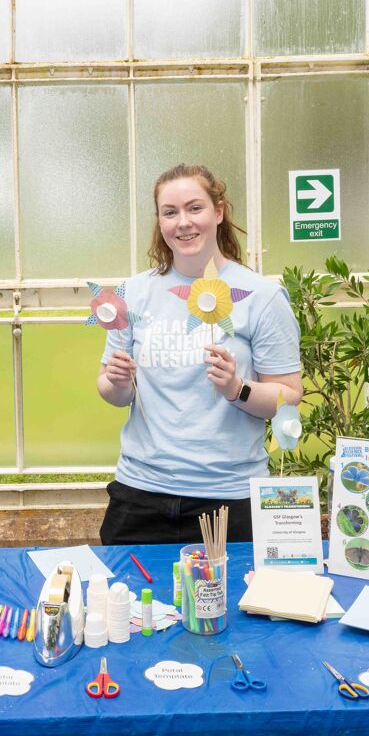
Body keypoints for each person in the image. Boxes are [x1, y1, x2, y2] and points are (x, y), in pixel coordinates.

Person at [96, 163, 303, 545]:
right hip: (139, 494)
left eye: (195, 208)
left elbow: (288, 395)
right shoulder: (133, 293)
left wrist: (237, 388)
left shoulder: (262, 297)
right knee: (132, 605)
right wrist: (117, 380)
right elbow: (113, 393)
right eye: (170, 212)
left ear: (219, 212)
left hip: (229, 499)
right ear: (159, 221)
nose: (183, 223)